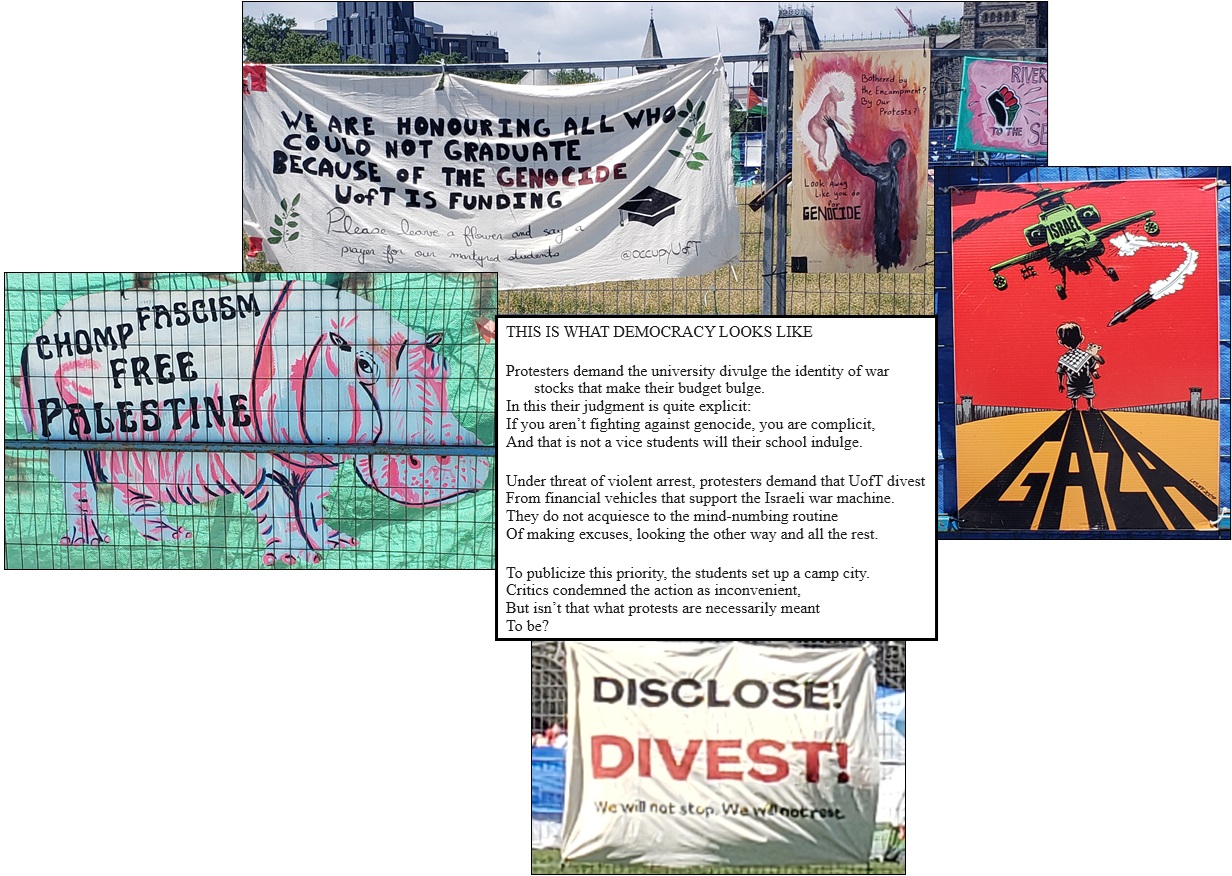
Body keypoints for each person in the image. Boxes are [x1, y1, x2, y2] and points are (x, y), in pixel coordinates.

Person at [824, 116, 907, 270]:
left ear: (892, 153)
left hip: (884, 228)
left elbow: (847, 155)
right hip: (891, 228)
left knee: (885, 263)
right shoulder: (893, 173)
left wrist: (834, 128)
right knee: (892, 263)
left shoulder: (884, 172)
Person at [1056, 322, 1105, 410]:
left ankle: (1089, 406)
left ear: (1061, 342)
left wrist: (1060, 384)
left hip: (1083, 382)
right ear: (1081, 338)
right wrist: (1060, 383)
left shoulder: (1085, 356)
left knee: (1087, 393)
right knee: (1075, 394)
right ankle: (1076, 406)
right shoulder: (1064, 359)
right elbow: (1060, 372)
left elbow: (1091, 367)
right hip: (1075, 383)